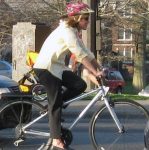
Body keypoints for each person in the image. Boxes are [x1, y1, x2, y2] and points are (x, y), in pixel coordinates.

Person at [33, 2, 103, 150]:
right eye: (86, 19)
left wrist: (100, 67)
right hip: (46, 68)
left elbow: (87, 53)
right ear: (77, 18)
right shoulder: (67, 31)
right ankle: (56, 139)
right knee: (56, 103)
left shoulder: (72, 31)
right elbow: (80, 55)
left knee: (80, 85)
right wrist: (95, 73)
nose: (88, 22)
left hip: (57, 67)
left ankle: (54, 105)